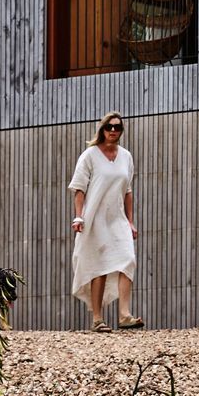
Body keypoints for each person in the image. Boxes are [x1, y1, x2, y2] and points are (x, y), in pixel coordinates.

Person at [68, 111, 140, 331]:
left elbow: (127, 191)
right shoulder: (89, 155)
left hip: (117, 217)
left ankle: (124, 315)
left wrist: (130, 221)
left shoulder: (126, 156)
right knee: (99, 266)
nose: (113, 131)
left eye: (117, 127)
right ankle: (98, 319)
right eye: (109, 127)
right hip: (94, 217)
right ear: (102, 129)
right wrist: (79, 215)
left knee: (127, 259)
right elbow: (79, 187)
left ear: (121, 131)